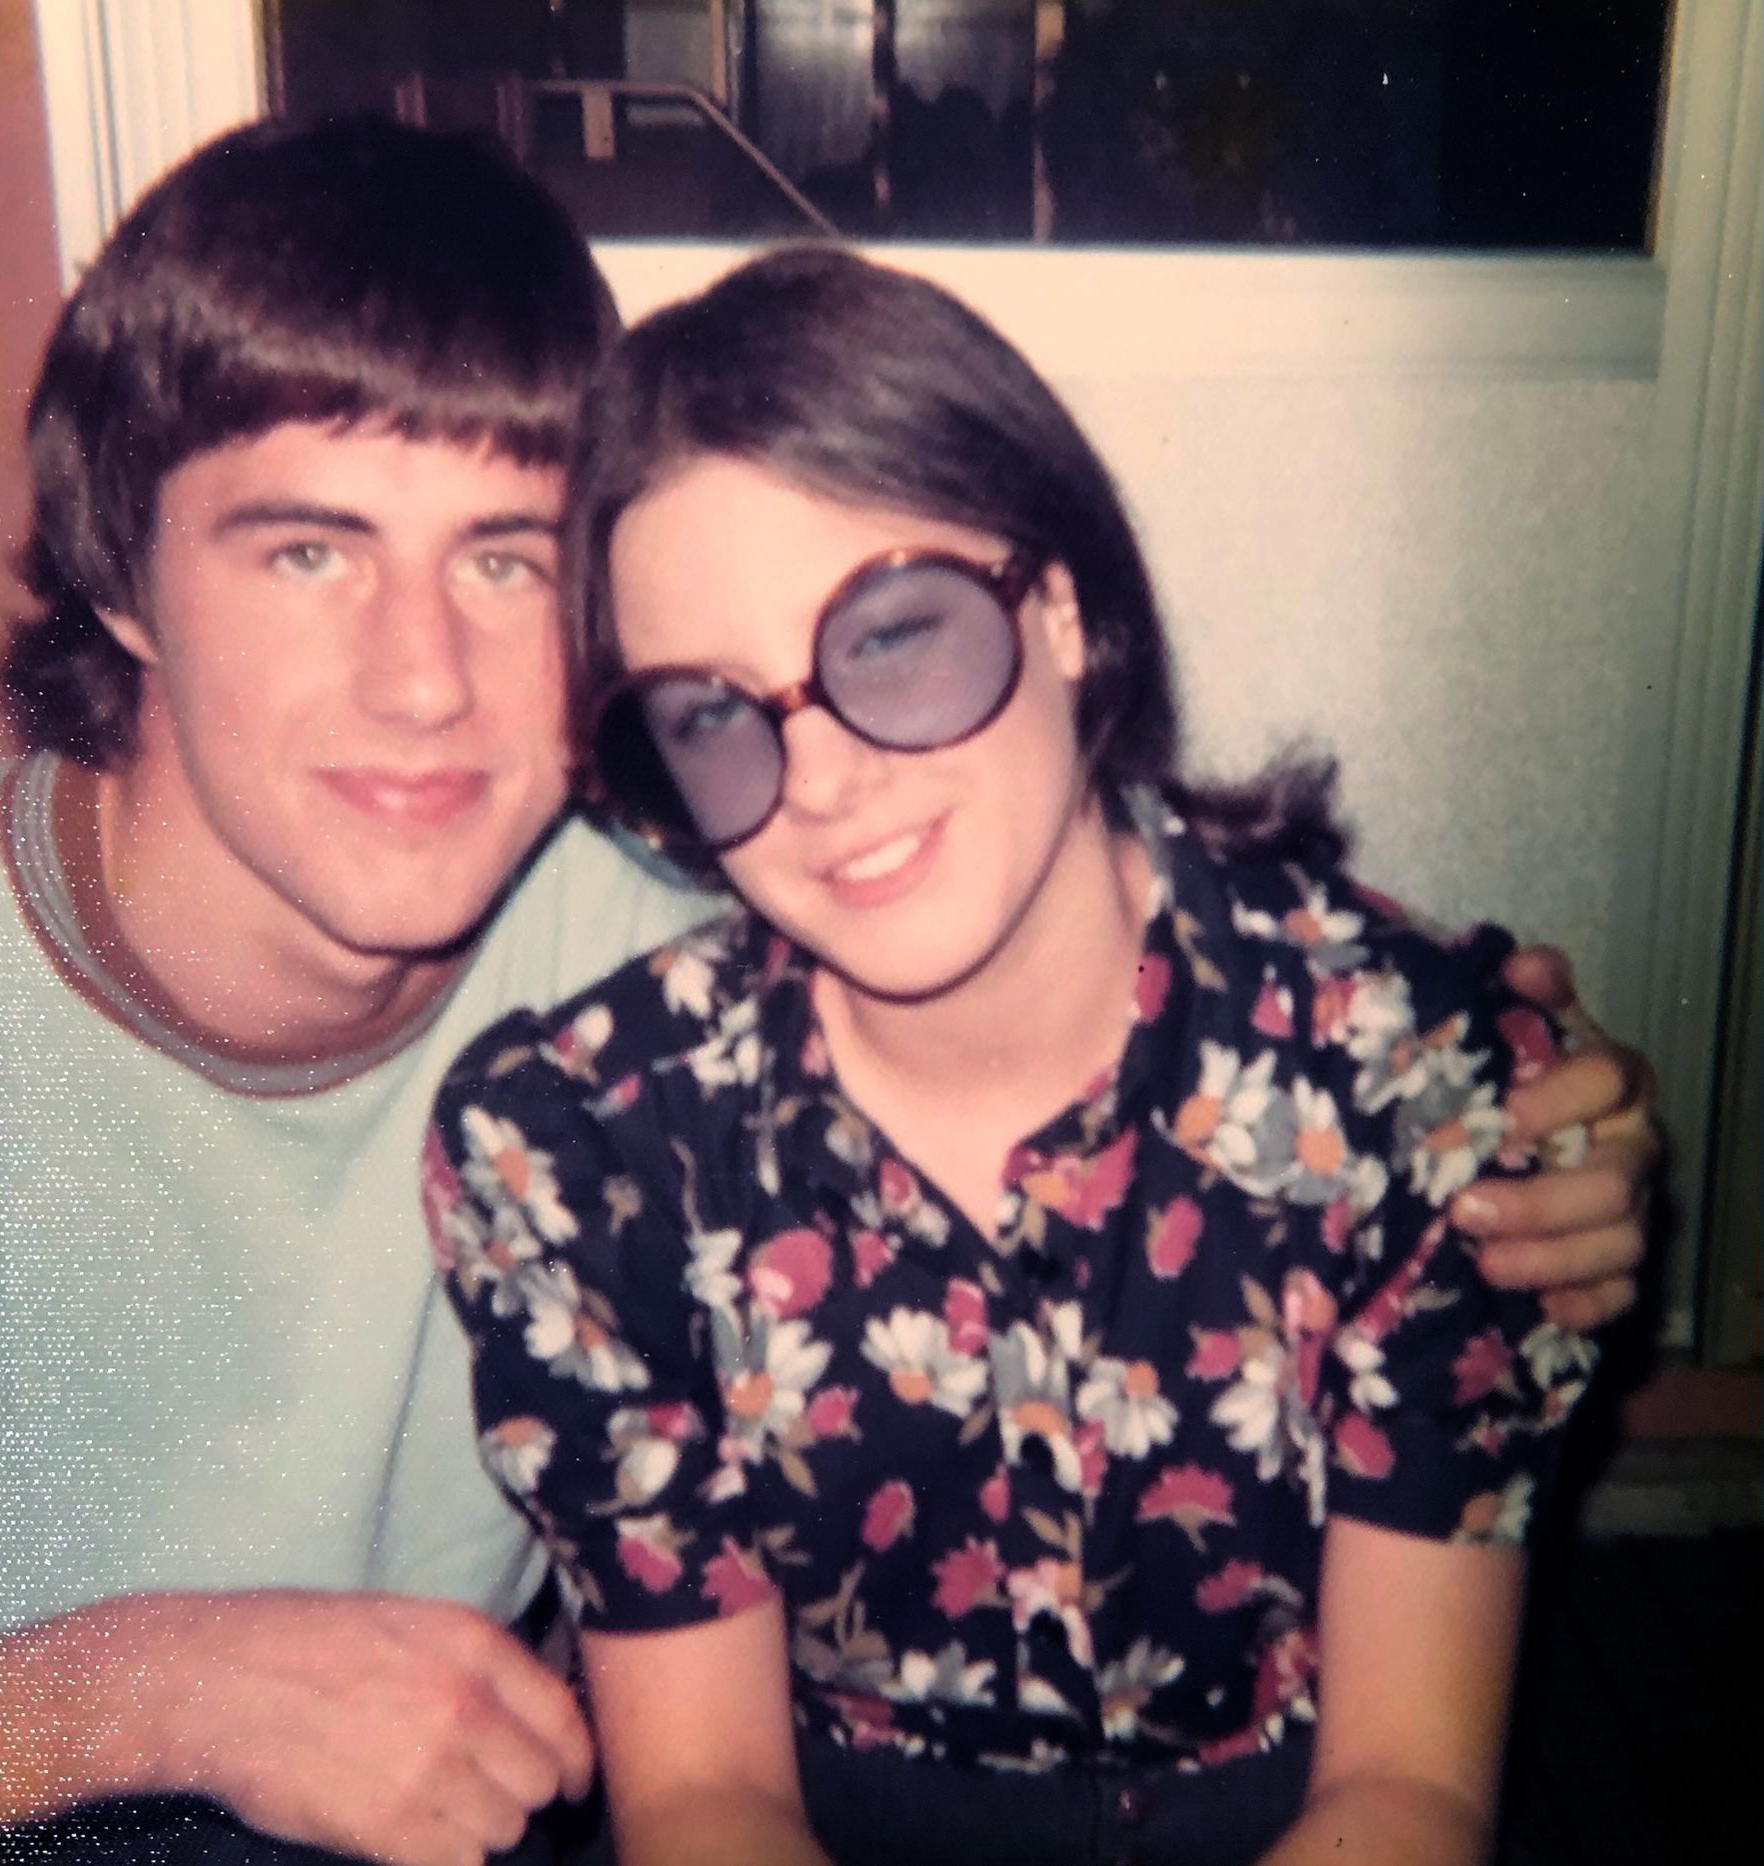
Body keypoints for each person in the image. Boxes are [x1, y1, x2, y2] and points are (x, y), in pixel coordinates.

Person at [0, 118, 1648, 1866]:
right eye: (308, 550)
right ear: (120, 570)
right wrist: (135, 1695)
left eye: (504, 560)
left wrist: (1546, 1109)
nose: (423, 681)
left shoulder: (662, 952)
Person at [424, 246, 1632, 1866]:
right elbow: (706, 1793)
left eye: (890, 636)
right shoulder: (581, 1154)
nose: (822, 777)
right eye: (712, 712)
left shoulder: (1415, 1079)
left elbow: (1409, 1783)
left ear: (1058, 606)